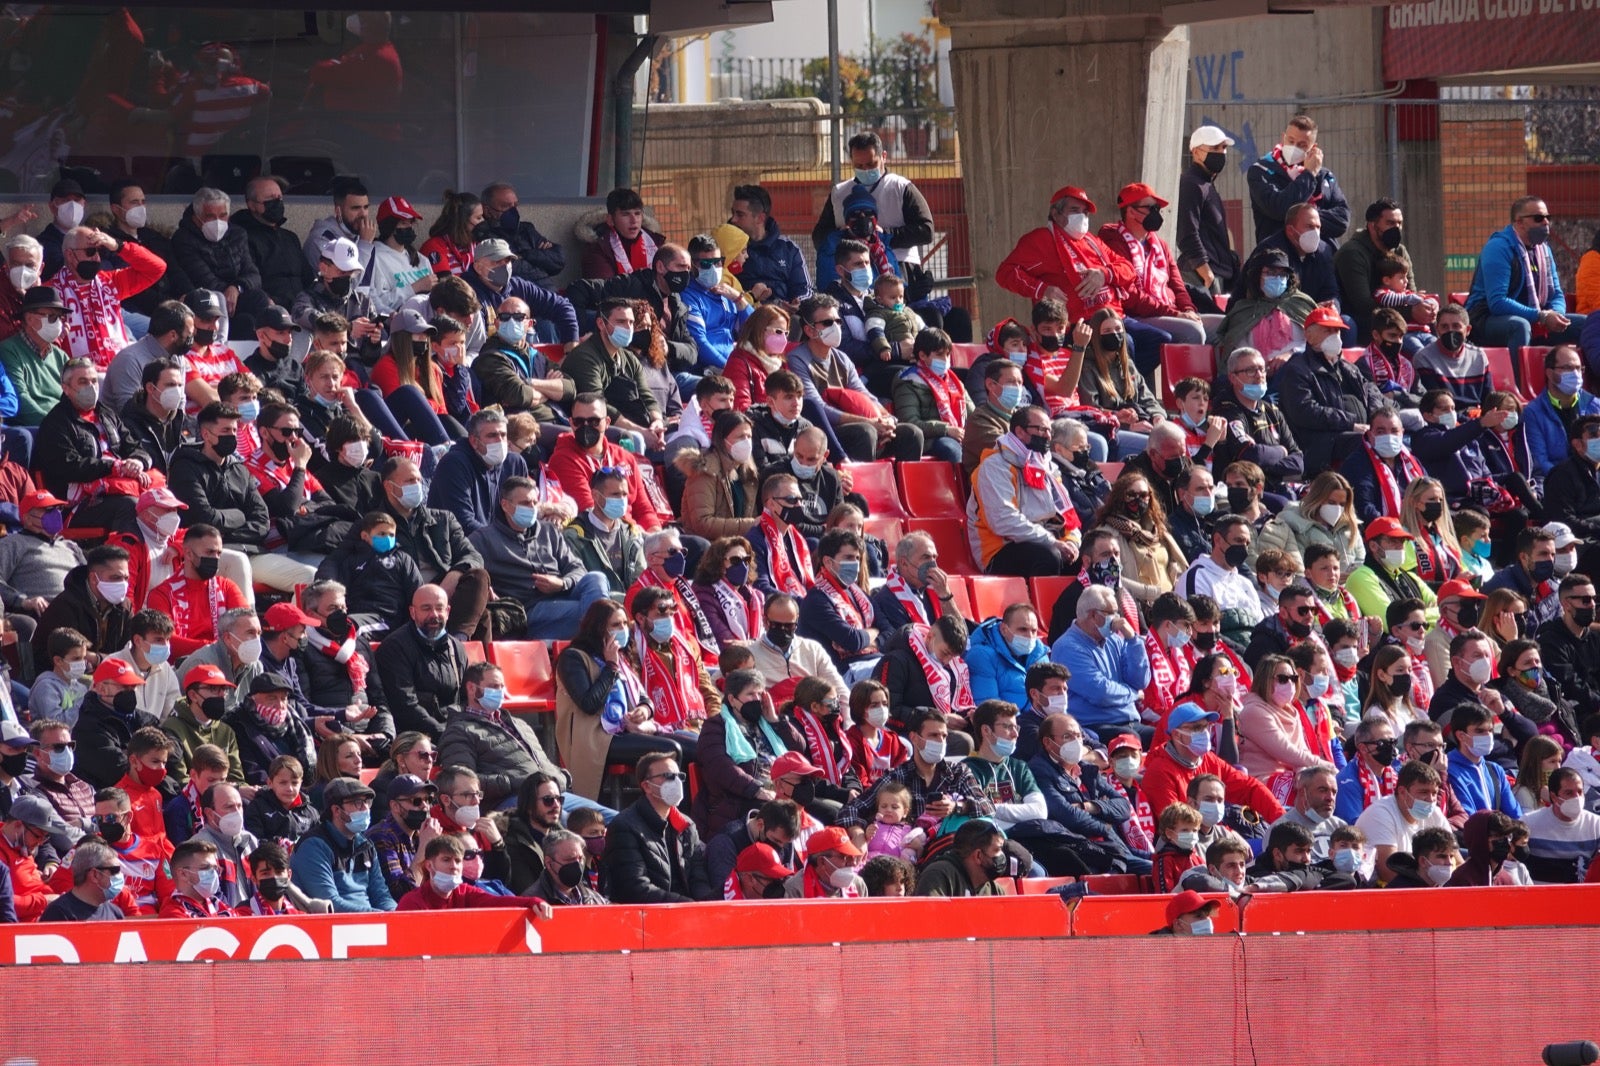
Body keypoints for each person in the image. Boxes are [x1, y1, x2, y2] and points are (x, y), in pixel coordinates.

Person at [787, 294, 920, 463]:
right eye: (828, 323)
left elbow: (865, 396)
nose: (835, 327)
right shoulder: (797, 359)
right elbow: (818, 408)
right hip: (824, 430)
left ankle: (899, 488)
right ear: (809, 330)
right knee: (865, 432)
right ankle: (860, 488)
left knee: (911, 433)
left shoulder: (842, 358)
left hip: (860, 423)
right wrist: (871, 423)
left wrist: (887, 421)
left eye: (838, 322)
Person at [1466, 196, 1586, 359]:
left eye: (1547, 218)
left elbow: (1557, 293)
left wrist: (1555, 315)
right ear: (1519, 222)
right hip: (1486, 319)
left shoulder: (1544, 250)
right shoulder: (1499, 247)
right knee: (1520, 326)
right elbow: (1497, 302)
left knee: (1590, 324)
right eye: (1538, 218)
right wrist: (1541, 316)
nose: (1545, 223)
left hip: (1535, 317)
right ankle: (1519, 383)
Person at [967, 404, 1081, 577]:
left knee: (1091, 555)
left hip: (1044, 539)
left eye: (1049, 430)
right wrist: (1052, 542)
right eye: (1041, 429)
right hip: (999, 549)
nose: (1047, 435)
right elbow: (1003, 521)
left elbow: (1066, 514)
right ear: (1020, 432)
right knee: (1048, 557)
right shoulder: (995, 466)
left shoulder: (1047, 467)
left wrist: (1072, 542)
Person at [1275, 305, 1384, 472]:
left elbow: (1371, 391)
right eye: (1327, 331)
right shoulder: (1297, 370)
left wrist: (1377, 419)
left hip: (1359, 430)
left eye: (1337, 331)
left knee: (1391, 435)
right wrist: (1350, 423)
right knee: (1363, 442)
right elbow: (1304, 411)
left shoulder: (1349, 368)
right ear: (1308, 336)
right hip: (1322, 443)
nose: (1335, 336)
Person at [1142, 702, 1285, 828]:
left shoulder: (1208, 759)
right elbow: (1176, 826)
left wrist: (1282, 822)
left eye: (1206, 727)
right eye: (1196, 728)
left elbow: (1250, 788)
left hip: (1213, 836)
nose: (1204, 733)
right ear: (1177, 735)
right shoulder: (1159, 771)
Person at [600, 751, 714, 902]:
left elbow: (699, 878)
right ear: (647, 786)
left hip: (685, 914)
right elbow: (635, 888)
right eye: (668, 776)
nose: (676, 782)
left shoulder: (687, 825)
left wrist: (704, 906)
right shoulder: (624, 826)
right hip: (646, 917)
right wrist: (685, 905)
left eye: (679, 776)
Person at [53, 224, 167, 370]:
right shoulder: (51, 291)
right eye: (90, 251)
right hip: (80, 377)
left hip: (118, 370)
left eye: (99, 251)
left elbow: (156, 268)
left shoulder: (110, 282)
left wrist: (117, 246)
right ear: (69, 255)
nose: (96, 257)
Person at [1050, 586, 1151, 744]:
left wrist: (1132, 640)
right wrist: (1134, 694)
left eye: (1117, 612)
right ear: (1092, 615)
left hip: (1130, 721)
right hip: (1094, 726)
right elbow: (1100, 692)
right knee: (1130, 741)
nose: (1117, 619)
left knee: (1165, 738)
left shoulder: (1115, 639)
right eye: (1110, 613)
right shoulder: (1067, 647)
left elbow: (1140, 681)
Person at [1209, 347, 1305, 493]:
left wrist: (1264, 463)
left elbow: (1298, 462)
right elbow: (1250, 455)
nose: (1259, 375)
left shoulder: (1272, 410)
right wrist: (1281, 451)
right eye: (1251, 370)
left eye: (1262, 369)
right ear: (1233, 378)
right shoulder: (1227, 410)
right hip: (1243, 492)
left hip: (1275, 486)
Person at [1246, 113, 1350, 247]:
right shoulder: (1261, 171)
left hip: (1321, 256)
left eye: (1302, 145)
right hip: (1280, 255)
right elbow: (1280, 209)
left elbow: (1342, 219)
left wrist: (1303, 218)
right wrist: (1309, 175)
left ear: (1313, 148)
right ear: (1283, 138)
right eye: (1291, 141)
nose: (1294, 147)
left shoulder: (1324, 176)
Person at [1335, 198, 1430, 345]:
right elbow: (1364, 305)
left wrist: (1425, 307)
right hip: (1362, 319)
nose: (1396, 228)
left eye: (1399, 223)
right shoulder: (1352, 253)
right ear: (1373, 226)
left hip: (1396, 317)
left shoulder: (1400, 251)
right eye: (1390, 223)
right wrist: (1410, 312)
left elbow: (1411, 291)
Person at [1074, 309, 1165, 456]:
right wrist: (1126, 425)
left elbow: (1147, 398)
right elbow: (1091, 410)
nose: (1114, 334)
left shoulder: (1127, 364)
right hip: (1112, 429)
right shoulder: (1087, 367)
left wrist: (1157, 416)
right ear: (1097, 336)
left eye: (1118, 329)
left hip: (1142, 423)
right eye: (1107, 330)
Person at [1353, 758, 1451, 882]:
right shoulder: (1380, 814)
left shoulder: (1435, 813)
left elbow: (1455, 859)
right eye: (1423, 792)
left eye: (1434, 793)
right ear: (1403, 792)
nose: (1430, 799)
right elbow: (1388, 872)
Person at [1258, 471, 1364, 576]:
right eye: (1331, 502)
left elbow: (1361, 560)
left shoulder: (1350, 527)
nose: (1337, 508)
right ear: (1317, 499)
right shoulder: (1296, 526)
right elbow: (1297, 567)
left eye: (1342, 504)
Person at [1176, 124, 1240, 300]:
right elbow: (1186, 232)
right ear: (1196, 152)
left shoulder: (1206, 184)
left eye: (1223, 148)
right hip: (1200, 276)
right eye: (1214, 148)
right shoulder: (1191, 184)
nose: (1220, 153)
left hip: (1215, 274)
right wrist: (1206, 273)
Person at [1248, 202, 1341, 311]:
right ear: (1290, 230)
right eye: (1309, 226)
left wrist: (1332, 306)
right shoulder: (1271, 251)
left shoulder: (1324, 252)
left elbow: (1331, 291)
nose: (1315, 233)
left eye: (1318, 227)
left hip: (1315, 317)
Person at [729, 184, 811, 307]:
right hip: (743, 315)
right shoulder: (727, 247)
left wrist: (797, 303)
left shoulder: (788, 248)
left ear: (760, 218)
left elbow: (804, 288)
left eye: (740, 215)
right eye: (733, 213)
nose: (733, 219)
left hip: (784, 317)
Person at [1524, 346, 1600, 478]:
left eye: (1578, 368)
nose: (1575, 374)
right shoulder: (1533, 412)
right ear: (1549, 373)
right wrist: (1571, 480)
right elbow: (1540, 462)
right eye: (1568, 368)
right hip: (1559, 484)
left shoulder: (1595, 405)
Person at [0, 284, 66, 427]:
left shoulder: (61, 356)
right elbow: (21, 400)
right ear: (29, 319)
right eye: (53, 317)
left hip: (65, 427)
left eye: (61, 318)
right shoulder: (8, 350)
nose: (59, 323)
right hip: (37, 428)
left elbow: (75, 396)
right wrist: (55, 426)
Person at [1522, 767, 1600, 882]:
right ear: (1553, 796)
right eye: (1569, 793)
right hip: (1540, 897)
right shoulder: (1529, 823)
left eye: (1579, 791)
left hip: (1579, 897)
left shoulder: (1596, 824)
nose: (1576, 798)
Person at [579, 188, 666, 282]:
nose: (633, 220)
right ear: (610, 220)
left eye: (637, 214)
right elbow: (607, 290)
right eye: (626, 214)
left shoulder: (656, 243)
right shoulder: (599, 250)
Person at [1486, 526, 1561, 632]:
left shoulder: (1554, 587)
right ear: (1524, 557)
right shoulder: (1500, 588)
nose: (1550, 560)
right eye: (1543, 554)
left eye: (1553, 555)